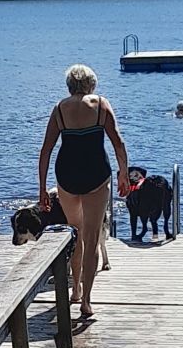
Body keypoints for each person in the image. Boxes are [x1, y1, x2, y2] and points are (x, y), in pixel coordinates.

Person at [37, 64, 130, 318]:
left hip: (66, 176)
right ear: (92, 84)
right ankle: (86, 301)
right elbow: (118, 143)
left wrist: (42, 188)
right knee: (91, 239)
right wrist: (124, 173)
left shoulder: (59, 109)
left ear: (69, 85)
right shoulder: (101, 105)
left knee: (75, 232)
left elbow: (45, 151)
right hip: (96, 175)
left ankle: (75, 288)